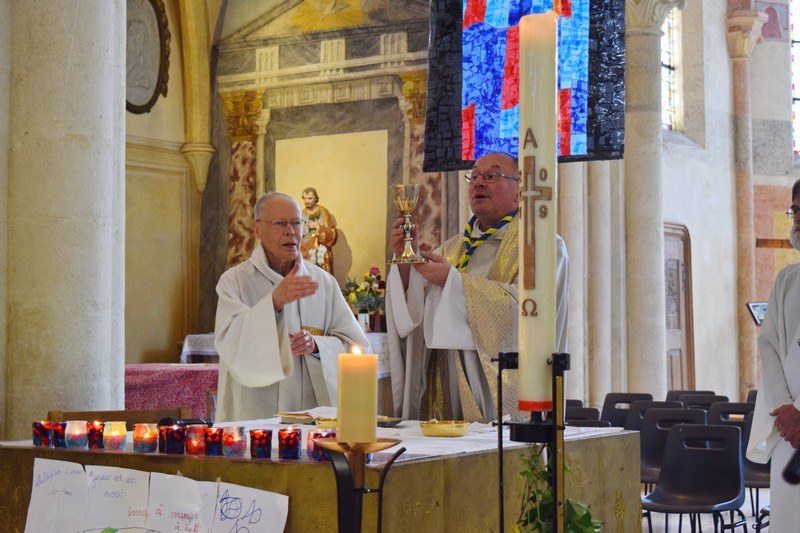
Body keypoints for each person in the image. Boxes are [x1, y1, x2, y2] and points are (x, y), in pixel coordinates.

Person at [385, 152, 569, 423]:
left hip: (505, 399)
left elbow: (530, 315)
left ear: (519, 192)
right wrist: (405, 262)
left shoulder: (541, 246)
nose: (479, 183)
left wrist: (453, 283)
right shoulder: (452, 248)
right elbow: (414, 319)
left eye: (492, 175)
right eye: (474, 176)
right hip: (446, 395)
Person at [214, 192, 368, 422]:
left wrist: (317, 346)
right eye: (280, 223)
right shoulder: (234, 281)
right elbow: (229, 343)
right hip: (256, 416)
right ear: (257, 229)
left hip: (312, 418)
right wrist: (274, 302)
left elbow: (358, 348)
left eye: (296, 223)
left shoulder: (324, 282)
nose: (291, 231)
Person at [747, 178, 800, 529]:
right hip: (790, 435)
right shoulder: (786, 280)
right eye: (795, 211)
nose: (798, 219)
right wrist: (787, 413)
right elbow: (769, 347)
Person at [301, 187, 338, 274]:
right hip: (305, 253)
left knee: (321, 278)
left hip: (321, 253)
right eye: (304, 198)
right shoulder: (301, 213)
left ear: (316, 198)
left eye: (310, 198)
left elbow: (332, 234)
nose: (307, 201)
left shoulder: (323, 212)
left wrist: (317, 227)